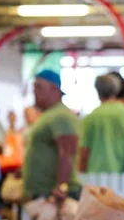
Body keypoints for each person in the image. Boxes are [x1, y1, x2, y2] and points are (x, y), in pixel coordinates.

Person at [23, 70, 82, 200]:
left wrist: (61, 187)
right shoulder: (49, 115)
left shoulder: (61, 115)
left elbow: (67, 153)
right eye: (34, 87)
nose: (34, 91)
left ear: (54, 89)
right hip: (45, 193)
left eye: (39, 87)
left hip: (55, 195)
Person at [80, 74, 124, 173]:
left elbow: (84, 151)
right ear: (116, 90)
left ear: (97, 91)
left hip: (96, 174)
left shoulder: (90, 118)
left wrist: (81, 172)